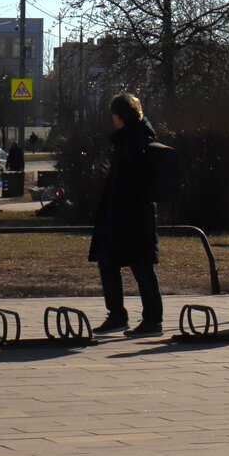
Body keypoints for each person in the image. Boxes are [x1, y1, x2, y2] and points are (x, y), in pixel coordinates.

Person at [88, 94, 164, 336]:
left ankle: (151, 320)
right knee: (110, 261)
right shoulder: (135, 136)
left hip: (130, 215)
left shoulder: (133, 139)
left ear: (119, 116)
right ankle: (119, 315)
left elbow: (129, 181)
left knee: (141, 265)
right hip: (127, 214)